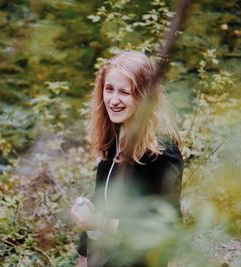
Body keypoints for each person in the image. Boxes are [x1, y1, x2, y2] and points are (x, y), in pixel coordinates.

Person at [71, 50, 184, 267]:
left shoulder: (162, 153)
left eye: (124, 92)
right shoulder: (113, 140)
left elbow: (166, 231)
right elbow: (102, 205)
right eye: (109, 89)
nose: (113, 100)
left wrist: (101, 223)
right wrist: (84, 259)